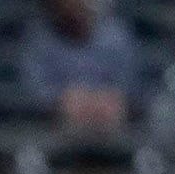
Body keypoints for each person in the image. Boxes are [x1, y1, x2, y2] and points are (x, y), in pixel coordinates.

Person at [20, 0, 140, 131]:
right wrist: (62, 102)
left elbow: (129, 86)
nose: (74, 6)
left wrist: (105, 101)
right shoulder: (38, 40)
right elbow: (32, 90)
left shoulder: (115, 37)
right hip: (51, 128)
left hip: (112, 126)